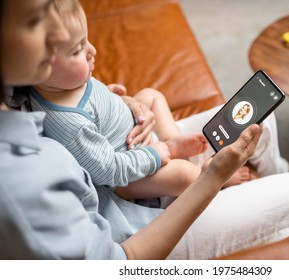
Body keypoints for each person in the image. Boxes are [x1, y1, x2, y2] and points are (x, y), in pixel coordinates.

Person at [0, 0, 289, 260]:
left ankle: (269, 184)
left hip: (129, 146)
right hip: (129, 216)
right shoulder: (18, 186)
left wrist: (127, 102)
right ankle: (259, 194)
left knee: (261, 122)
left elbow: (87, 101)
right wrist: (209, 176)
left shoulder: (27, 84)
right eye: (34, 19)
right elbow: (119, 260)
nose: (52, 31)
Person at [26, 0, 251, 203]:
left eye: (86, 41)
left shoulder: (64, 81)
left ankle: (172, 139)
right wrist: (154, 154)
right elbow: (108, 171)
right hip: (128, 174)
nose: (92, 51)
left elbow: (94, 103)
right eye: (77, 50)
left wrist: (115, 96)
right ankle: (219, 179)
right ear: (40, 68)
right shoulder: (68, 124)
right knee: (184, 174)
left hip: (129, 132)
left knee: (151, 95)